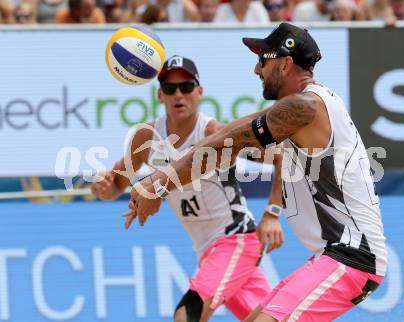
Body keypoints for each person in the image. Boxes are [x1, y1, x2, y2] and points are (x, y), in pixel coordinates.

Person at [126, 23, 388, 322]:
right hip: (333, 255)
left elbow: (229, 142)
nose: (256, 69)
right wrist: (159, 181)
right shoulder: (303, 105)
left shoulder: (306, 107)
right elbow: (230, 136)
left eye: (263, 60)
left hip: (353, 257)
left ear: (285, 64)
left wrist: (159, 183)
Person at [92, 55, 284, 322]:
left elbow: (279, 156)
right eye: (170, 89)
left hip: (236, 239)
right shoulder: (146, 138)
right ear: (160, 95)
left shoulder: (214, 133)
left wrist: (273, 213)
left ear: (200, 92)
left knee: (186, 316)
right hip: (208, 250)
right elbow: (114, 188)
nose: (178, 94)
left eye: (186, 86)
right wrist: (102, 185)